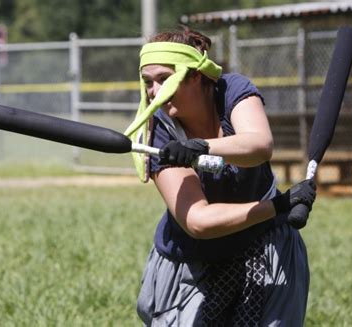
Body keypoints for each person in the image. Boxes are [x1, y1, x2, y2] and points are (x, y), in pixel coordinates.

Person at [123, 26, 316, 326]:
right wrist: (278, 206)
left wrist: (199, 148)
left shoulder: (231, 90)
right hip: (193, 264)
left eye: (164, 78)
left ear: (196, 76)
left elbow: (259, 145)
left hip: (263, 249)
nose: (154, 91)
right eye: (148, 82)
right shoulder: (158, 130)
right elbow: (198, 221)